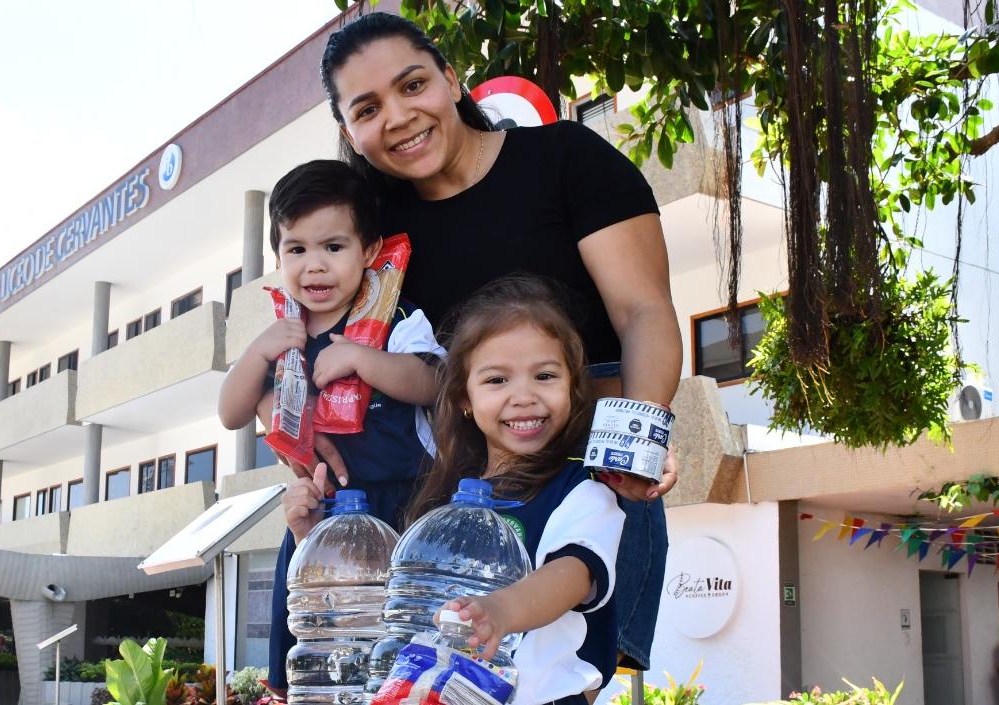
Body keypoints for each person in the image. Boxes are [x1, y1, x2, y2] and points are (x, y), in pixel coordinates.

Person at [273, 11, 683, 686]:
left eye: (412, 86)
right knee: (427, 672)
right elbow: (311, 331)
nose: (399, 116)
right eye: (368, 108)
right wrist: (299, 435)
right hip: (442, 470)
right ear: (348, 130)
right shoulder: (367, 228)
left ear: (451, 78)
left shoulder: (566, 160)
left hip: (588, 442)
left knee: (564, 663)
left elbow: (642, 309)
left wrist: (633, 442)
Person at [285, 276, 625, 705]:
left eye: (544, 375)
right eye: (497, 380)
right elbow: (398, 604)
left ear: (573, 392)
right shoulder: (438, 499)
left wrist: (500, 613)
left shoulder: (584, 494)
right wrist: (312, 538)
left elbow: (571, 576)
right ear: (463, 397)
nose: (523, 396)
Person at [216, 159, 446, 682]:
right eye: (296, 249)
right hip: (315, 523)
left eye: (333, 247)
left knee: (395, 660)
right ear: (278, 254)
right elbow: (231, 411)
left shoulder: (398, 317)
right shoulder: (282, 332)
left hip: (402, 513)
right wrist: (257, 356)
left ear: (369, 251)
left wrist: (365, 360)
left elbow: (434, 383)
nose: (314, 266)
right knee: (316, 663)